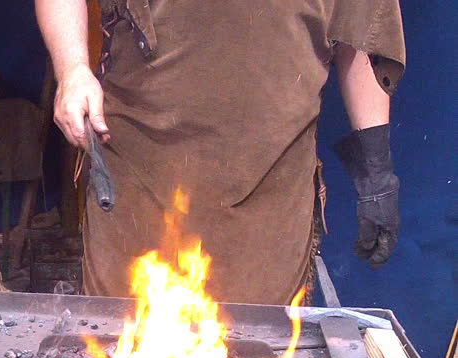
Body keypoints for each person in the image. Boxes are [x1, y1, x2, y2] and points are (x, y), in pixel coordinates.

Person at [36, 0, 405, 304]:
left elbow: (359, 34)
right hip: (138, 173)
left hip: (269, 187)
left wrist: (376, 173)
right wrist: (72, 71)